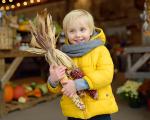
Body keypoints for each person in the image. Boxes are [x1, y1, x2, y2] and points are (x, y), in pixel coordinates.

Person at [47, 9, 118, 120]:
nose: (78, 35)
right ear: (66, 34)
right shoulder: (63, 56)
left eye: (82, 29)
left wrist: (77, 84)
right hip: (74, 111)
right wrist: (53, 80)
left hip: (99, 109)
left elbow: (106, 75)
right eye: (72, 31)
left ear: (90, 30)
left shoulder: (100, 50)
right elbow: (59, 88)